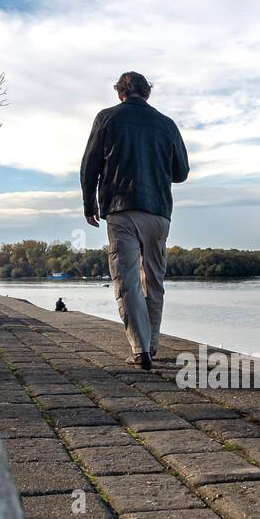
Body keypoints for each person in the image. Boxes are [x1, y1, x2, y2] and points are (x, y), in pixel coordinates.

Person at [80, 71, 190, 370]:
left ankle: (141, 350)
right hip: (158, 212)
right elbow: (181, 172)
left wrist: (89, 203)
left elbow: (90, 165)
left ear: (120, 94)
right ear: (147, 94)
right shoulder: (167, 124)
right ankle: (151, 344)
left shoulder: (106, 118)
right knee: (154, 280)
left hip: (121, 208)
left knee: (127, 281)